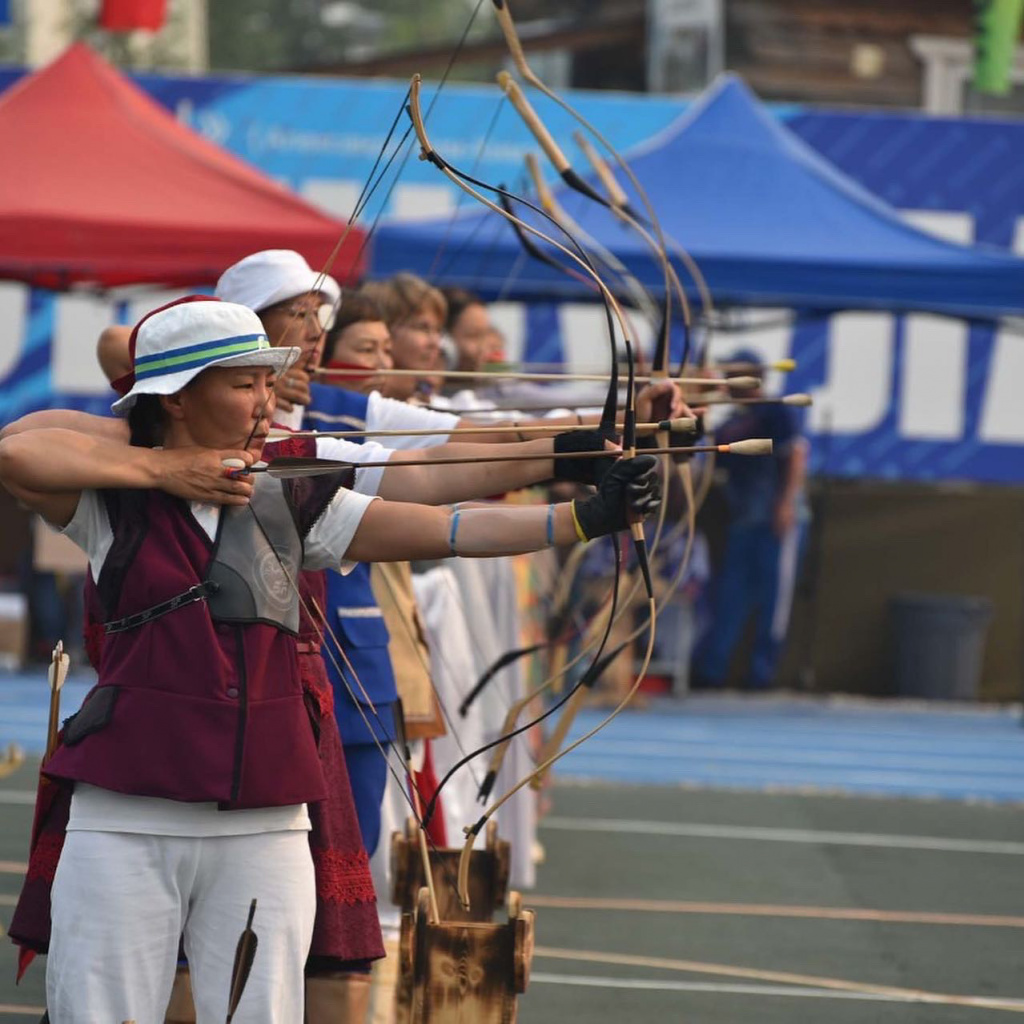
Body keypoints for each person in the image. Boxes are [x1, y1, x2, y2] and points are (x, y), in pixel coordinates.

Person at [0, 296, 660, 1024]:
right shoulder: (110, 499)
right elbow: (17, 448)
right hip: (123, 814)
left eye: (265, 381)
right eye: (243, 382)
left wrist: (581, 516)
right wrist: (166, 469)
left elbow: (448, 525)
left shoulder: (291, 491)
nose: (265, 399)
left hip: (264, 822)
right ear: (178, 400)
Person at [694, 350, 808, 690]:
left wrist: (786, 503)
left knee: (774, 600)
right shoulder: (730, 425)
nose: (729, 384)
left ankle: (761, 674)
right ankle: (713, 670)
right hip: (743, 521)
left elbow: (796, 454)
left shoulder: (775, 411)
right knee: (730, 595)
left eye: (736, 376)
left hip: (776, 520)